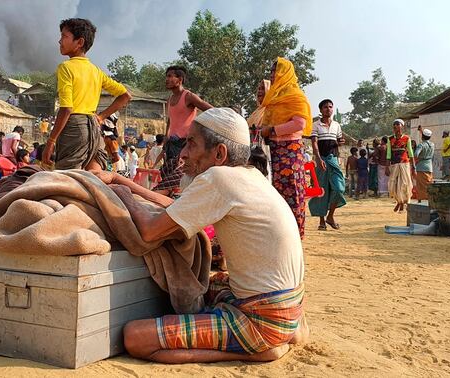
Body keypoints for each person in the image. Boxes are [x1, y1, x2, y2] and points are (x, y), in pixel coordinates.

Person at [89, 107, 305, 364]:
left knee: (136, 337)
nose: (183, 153)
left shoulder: (218, 178)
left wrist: (121, 196)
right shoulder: (249, 177)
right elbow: (175, 208)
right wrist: (118, 179)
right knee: (207, 285)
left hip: (261, 320)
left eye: (191, 144)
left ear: (219, 153)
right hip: (289, 310)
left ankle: (260, 351)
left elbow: (148, 231)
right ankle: (277, 336)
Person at [42, 18, 132, 171]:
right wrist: (101, 117)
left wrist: (51, 141)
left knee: (68, 179)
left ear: (79, 42)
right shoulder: (96, 71)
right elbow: (126, 96)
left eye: (64, 36)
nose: (59, 41)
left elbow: (67, 108)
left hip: (74, 127)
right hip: (94, 128)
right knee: (95, 176)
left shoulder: (66, 67)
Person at [259, 57, 312, 238]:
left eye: (277, 71)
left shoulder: (296, 96)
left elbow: (299, 124)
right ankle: (279, 235)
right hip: (274, 150)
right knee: (276, 193)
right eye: (272, 71)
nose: (273, 75)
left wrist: (272, 130)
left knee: (292, 192)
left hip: (290, 152)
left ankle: (295, 235)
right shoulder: (273, 96)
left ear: (286, 73)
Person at [153, 65, 213, 196]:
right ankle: (167, 203)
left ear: (179, 79)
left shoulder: (188, 96)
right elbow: (171, 119)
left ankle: (157, 195)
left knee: (179, 176)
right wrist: (166, 137)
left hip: (185, 145)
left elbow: (209, 109)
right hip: (171, 145)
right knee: (168, 173)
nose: (166, 79)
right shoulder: (169, 100)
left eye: (170, 76)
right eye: (166, 76)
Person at [308, 99, 346, 230]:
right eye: (325, 107)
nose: (328, 109)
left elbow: (338, 142)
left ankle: (331, 216)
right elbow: (314, 143)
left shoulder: (337, 125)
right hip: (321, 159)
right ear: (320, 110)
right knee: (322, 189)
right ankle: (321, 221)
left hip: (333, 159)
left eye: (330, 107)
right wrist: (318, 159)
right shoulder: (315, 125)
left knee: (339, 188)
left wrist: (340, 144)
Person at [386, 119, 414, 213]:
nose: (395, 126)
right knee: (392, 185)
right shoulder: (390, 139)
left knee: (404, 184)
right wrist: (387, 166)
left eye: (397, 124)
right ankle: (399, 201)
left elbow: (410, 152)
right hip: (394, 164)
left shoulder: (407, 138)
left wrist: (413, 165)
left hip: (404, 163)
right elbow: (389, 153)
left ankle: (402, 203)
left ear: (402, 126)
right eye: (394, 124)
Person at [415, 128, 434, 202]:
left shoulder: (421, 145)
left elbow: (416, 154)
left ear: (422, 136)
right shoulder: (432, 144)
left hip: (421, 166)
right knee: (428, 183)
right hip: (429, 166)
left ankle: (420, 200)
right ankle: (429, 199)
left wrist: (418, 159)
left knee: (420, 185)